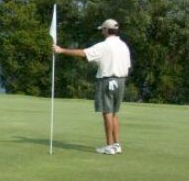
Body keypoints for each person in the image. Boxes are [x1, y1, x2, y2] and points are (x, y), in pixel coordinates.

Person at [53, 19, 131, 155]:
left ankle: (109, 146)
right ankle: (116, 145)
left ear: (107, 30)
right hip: (121, 81)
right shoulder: (123, 45)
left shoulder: (104, 45)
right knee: (113, 113)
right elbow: (127, 65)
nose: (101, 31)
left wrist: (61, 50)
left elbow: (84, 53)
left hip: (107, 81)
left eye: (103, 29)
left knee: (107, 112)